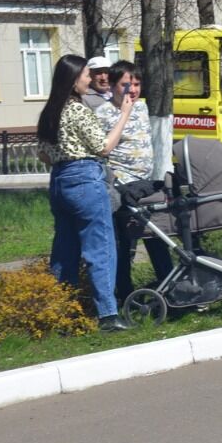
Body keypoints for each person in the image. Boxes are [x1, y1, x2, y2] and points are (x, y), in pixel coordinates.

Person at [37, 55, 134, 331]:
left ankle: (63, 314)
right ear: (73, 78)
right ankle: (107, 315)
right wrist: (124, 114)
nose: (90, 79)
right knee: (100, 247)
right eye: (86, 75)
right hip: (84, 180)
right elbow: (103, 147)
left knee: (64, 251)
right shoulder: (77, 110)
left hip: (59, 181)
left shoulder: (50, 111)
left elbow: (43, 154)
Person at [95, 61, 173, 300]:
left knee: (155, 233)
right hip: (122, 186)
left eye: (137, 84)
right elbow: (102, 149)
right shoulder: (103, 112)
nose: (133, 89)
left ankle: (168, 284)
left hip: (145, 185)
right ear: (113, 85)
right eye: (126, 84)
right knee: (124, 243)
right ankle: (123, 291)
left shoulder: (142, 107)